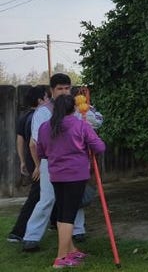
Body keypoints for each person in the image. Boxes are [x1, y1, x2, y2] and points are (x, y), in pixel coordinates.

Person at [22, 73, 101, 252]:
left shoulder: (80, 107)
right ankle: (32, 236)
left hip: (75, 163)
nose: (64, 92)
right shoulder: (44, 111)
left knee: (74, 199)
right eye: (60, 89)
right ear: (52, 90)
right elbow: (35, 143)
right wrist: (37, 165)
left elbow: (98, 120)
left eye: (67, 88)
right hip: (52, 163)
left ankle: (78, 231)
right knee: (48, 199)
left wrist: (88, 117)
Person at [37, 94, 106, 268]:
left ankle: (71, 250)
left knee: (62, 212)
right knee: (68, 216)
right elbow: (100, 147)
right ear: (73, 108)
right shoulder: (81, 125)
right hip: (75, 175)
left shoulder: (45, 127)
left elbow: (42, 152)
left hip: (56, 175)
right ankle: (61, 258)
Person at [6, 86, 50, 243]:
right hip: (38, 159)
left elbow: (20, 140)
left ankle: (55, 223)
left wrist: (23, 161)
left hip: (31, 160)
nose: (49, 100)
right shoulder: (38, 117)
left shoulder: (24, 116)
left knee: (48, 193)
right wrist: (38, 165)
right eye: (47, 97)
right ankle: (18, 232)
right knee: (37, 196)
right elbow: (33, 143)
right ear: (40, 100)